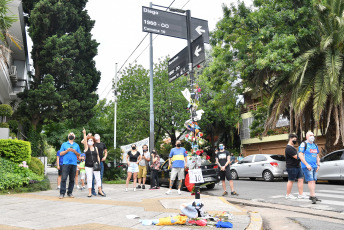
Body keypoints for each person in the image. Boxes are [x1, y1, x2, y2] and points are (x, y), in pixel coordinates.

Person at [299, 131, 321, 204]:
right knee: (310, 180)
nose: (312, 136)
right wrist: (307, 164)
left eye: (313, 135)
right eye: (310, 135)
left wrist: (318, 165)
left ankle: (312, 195)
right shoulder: (304, 144)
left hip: (314, 166)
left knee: (314, 181)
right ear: (306, 137)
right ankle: (313, 196)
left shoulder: (315, 145)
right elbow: (300, 155)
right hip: (307, 166)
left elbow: (317, 155)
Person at [82, 128, 105, 197]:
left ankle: (100, 191)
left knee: (98, 178)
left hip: (95, 165)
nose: (90, 141)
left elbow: (98, 156)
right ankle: (90, 192)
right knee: (89, 178)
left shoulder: (96, 148)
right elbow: (84, 141)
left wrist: (98, 163)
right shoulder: (86, 148)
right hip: (88, 166)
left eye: (91, 140)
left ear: (93, 142)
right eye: (89, 140)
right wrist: (85, 134)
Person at [59, 132, 81, 199]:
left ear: (74, 137)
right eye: (70, 134)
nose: (71, 135)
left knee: (72, 179)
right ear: (68, 136)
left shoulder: (76, 145)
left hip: (74, 164)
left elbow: (79, 154)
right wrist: (67, 150)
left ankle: (70, 192)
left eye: (72, 134)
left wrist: (75, 152)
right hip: (66, 163)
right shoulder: (64, 144)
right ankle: (62, 193)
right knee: (64, 178)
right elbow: (61, 153)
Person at [285, 134, 308, 199]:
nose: (295, 141)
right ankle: (288, 195)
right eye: (294, 140)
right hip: (291, 167)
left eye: (296, 140)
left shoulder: (293, 147)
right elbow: (296, 157)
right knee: (291, 180)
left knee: (301, 179)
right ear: (290, 139)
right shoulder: (288, 148)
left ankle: (300, 194)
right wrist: (303, 156)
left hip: (297, 166)